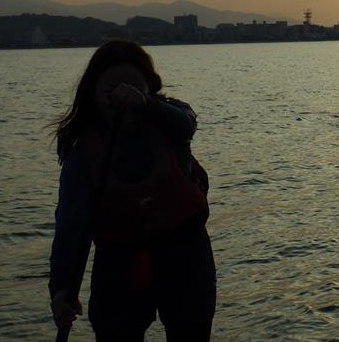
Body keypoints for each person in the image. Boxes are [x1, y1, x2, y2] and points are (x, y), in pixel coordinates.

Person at [49, 40, 215, 341]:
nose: (122, 96)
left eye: (134, 87)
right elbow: (71, 223)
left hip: (187, 257)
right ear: (93, 94)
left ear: (149, 88)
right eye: (110, 90)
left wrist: (145, 103)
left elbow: (186, 124)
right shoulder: (82, 155)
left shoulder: (172, 117)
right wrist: (61, 287)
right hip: (118, 264)